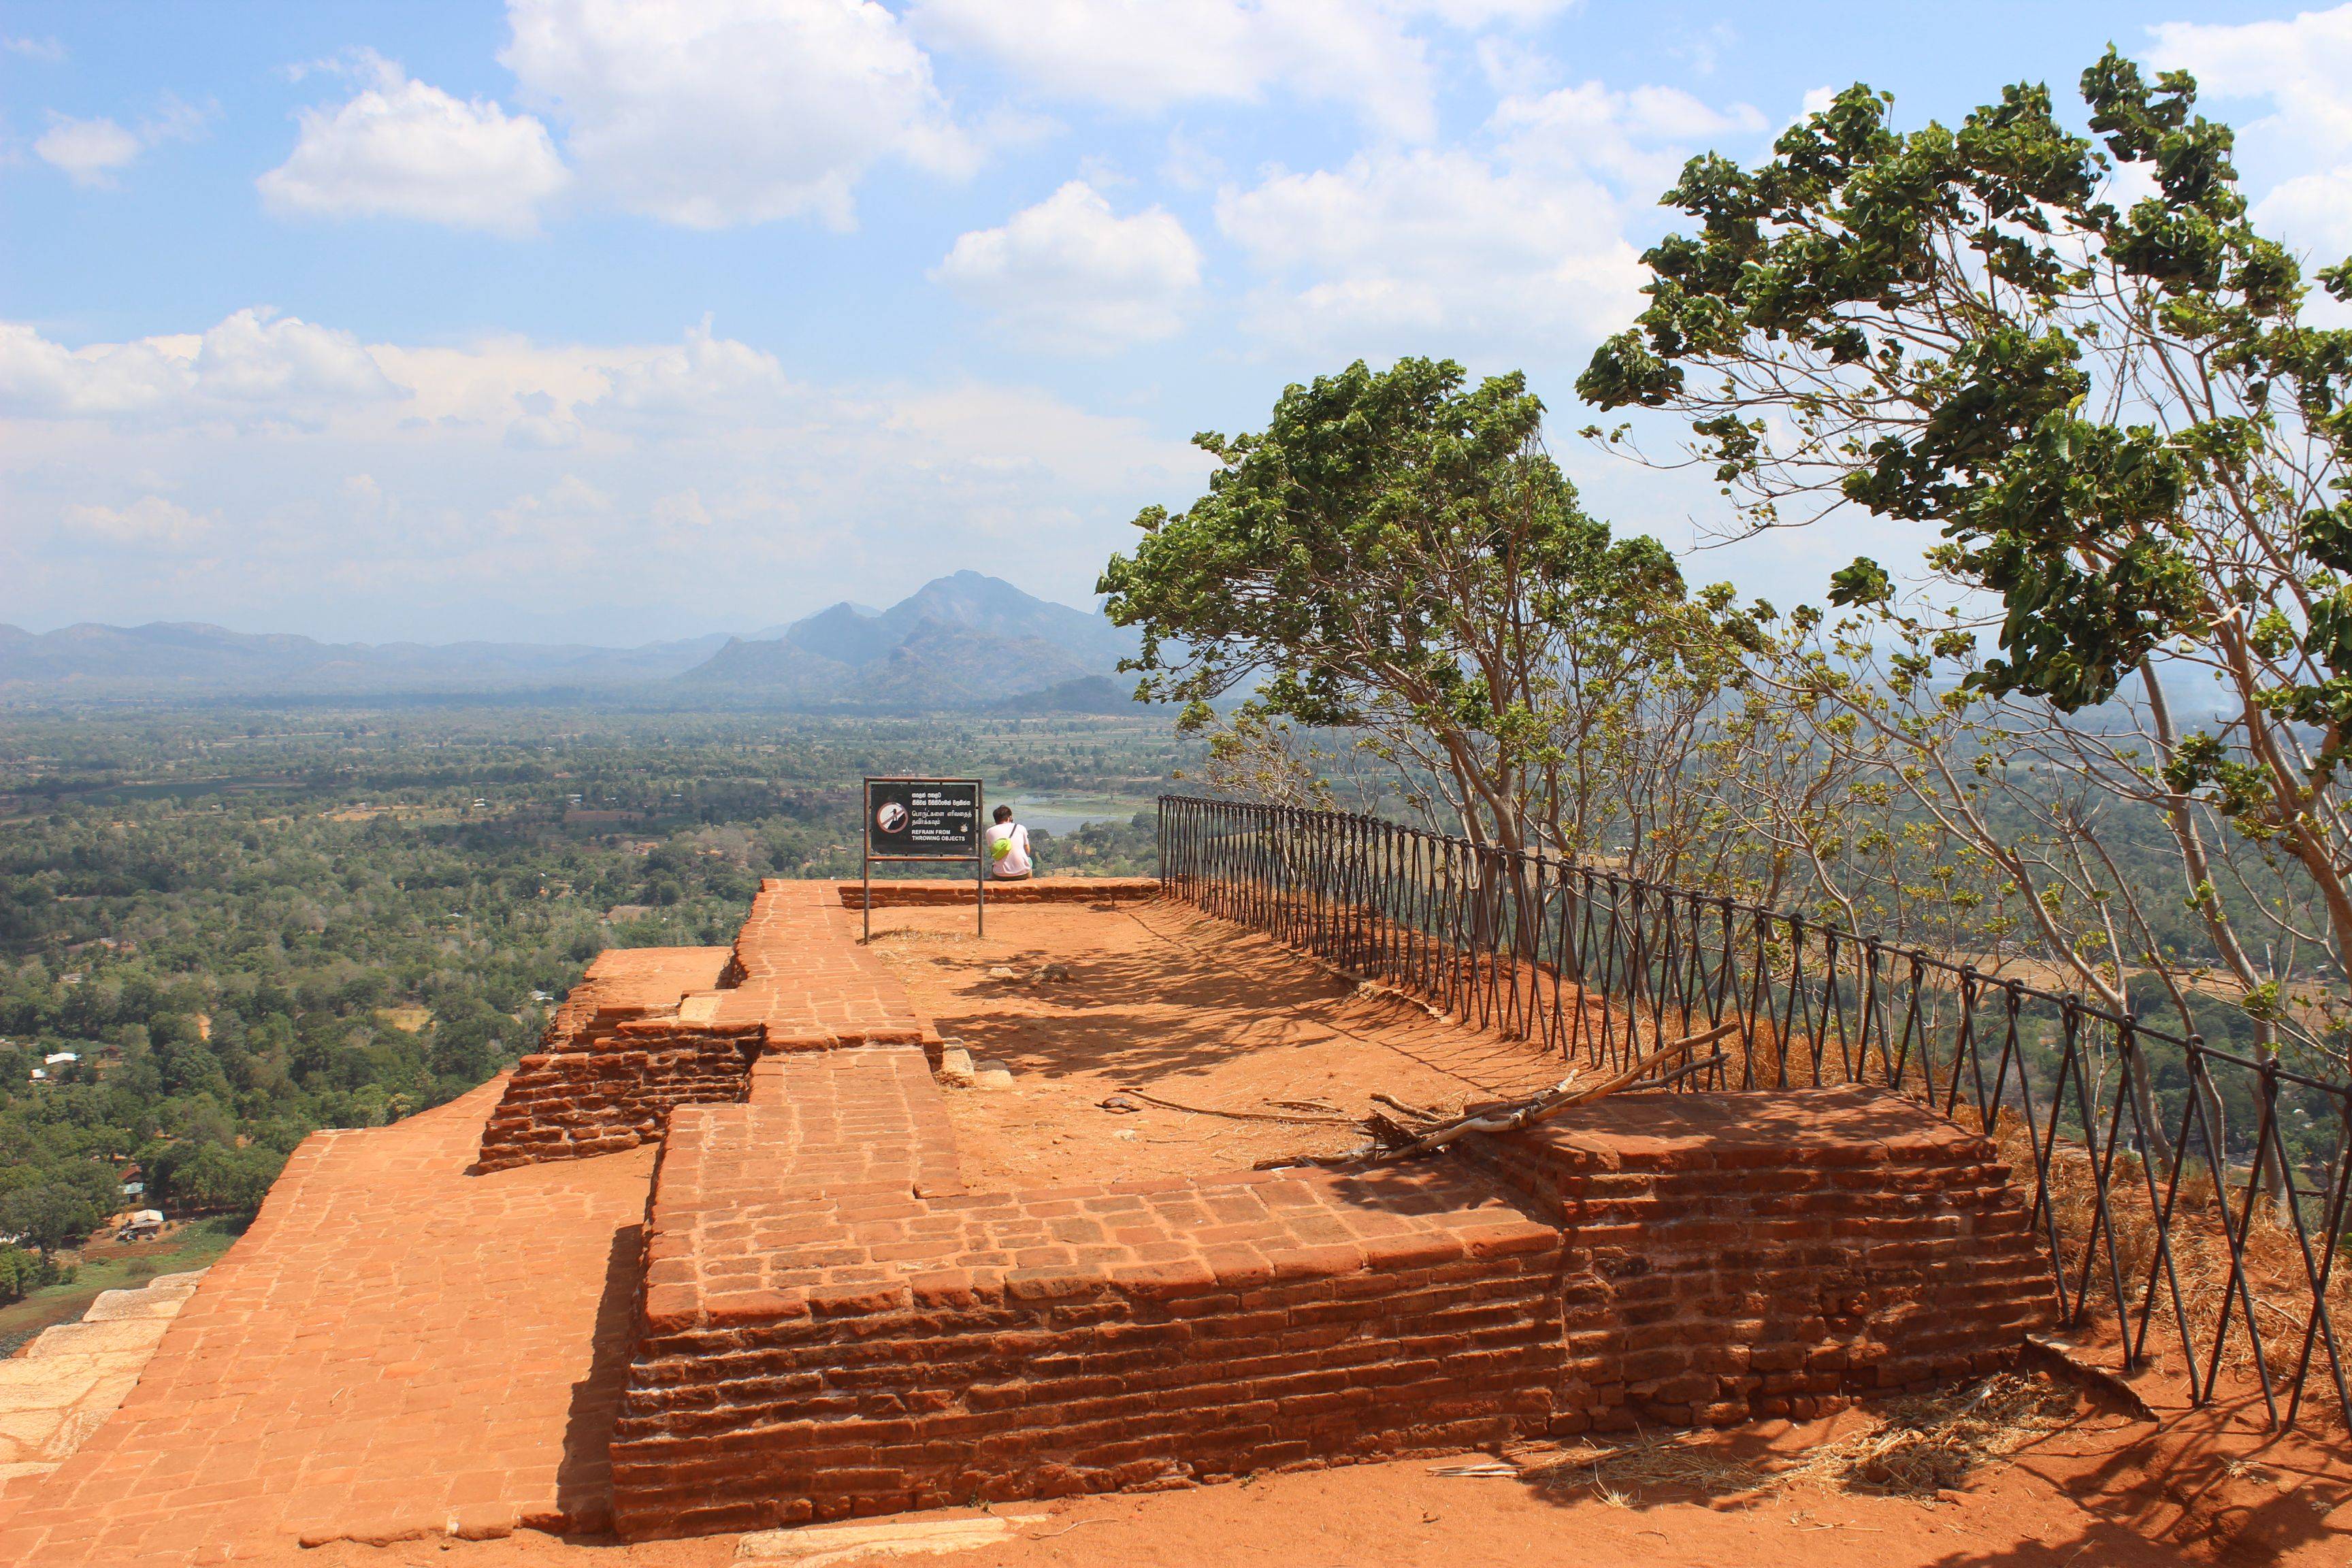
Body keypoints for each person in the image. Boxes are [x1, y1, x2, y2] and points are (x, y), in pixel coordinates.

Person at [983, 804, 1032, 881]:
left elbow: (994, 853)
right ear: (1009, 818)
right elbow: (1027, 850)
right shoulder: (1020, 828)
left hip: (1000, 875)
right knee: (1029, 860)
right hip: (1024, 873)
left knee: (994, 865)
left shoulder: (989, 832)